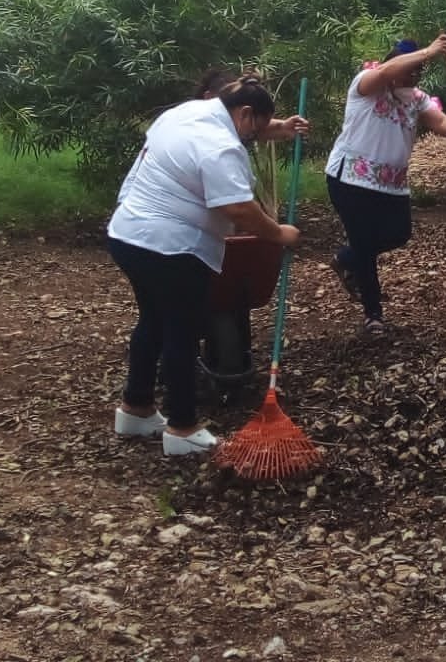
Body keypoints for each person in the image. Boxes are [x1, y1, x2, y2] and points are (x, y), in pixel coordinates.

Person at [106, 77, 302, 457]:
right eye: (256, 128)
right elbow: (238, 209)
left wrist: (276, 130)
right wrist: (279, 234)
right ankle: (182, 428)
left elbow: (227, 141)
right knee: (182, 331)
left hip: (128, 235)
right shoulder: (221, 146)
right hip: (169, 247)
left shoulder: (188, 112)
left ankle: (137, 408)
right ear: (245, 114)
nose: (252, 138)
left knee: (153, 321)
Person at [325, 34, 446, 338]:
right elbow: (383, 73)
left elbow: (437, 119)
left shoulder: (416, 98)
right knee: (365, 243)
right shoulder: (367, 83)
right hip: (351, 179)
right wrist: (429, 51)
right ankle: (373, 315)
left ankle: (346, 258)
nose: (414, 75)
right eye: (411, 69)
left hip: (391, 185)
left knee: (399, 233)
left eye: (418, 71)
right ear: (394, 64)